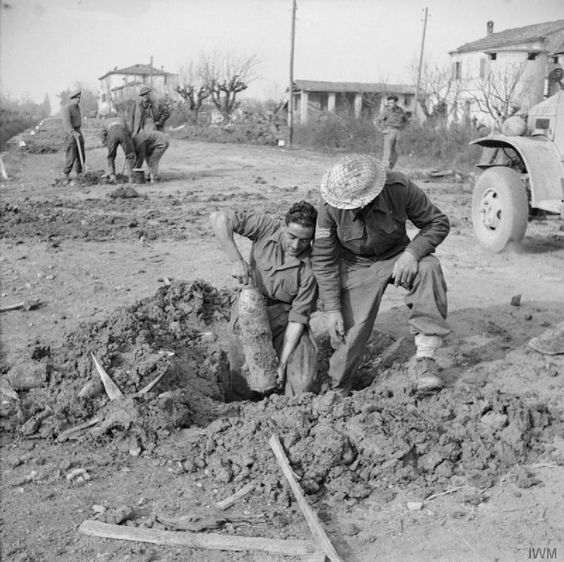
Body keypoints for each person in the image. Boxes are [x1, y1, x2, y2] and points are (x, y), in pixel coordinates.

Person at [311, 154, 450, 396]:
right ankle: (338, 386)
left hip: (397, 256)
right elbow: (324, 258)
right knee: (349, 334)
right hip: (356, 265)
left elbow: (437, 222)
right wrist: (332, 309)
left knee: (429, 267)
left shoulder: (399, 187)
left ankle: (426, 362)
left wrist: (413, 253)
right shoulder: (329, 205)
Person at [210, 202, 319, 398]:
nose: (296, 246)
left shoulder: (311, 268)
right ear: (284, 227)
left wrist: (282, 363)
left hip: (285, 318)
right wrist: (236, 260)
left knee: (302, 382)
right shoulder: (266, 228)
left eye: (304, 240)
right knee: (244, 381)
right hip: (250, 308)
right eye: (292, 237)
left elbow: (297, 319)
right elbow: (218, 218)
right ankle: (243, 404)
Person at [100, 117, 136, 183]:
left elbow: (102, 134)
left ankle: (112, 176)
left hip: (112, 135)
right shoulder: (122, 119)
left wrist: (106, 144)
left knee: (111, 157)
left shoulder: (105, 122)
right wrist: (130, 143)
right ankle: (131, 177)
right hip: (123, 134)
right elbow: (129, 131)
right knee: (130, 155)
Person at [376, 95, 407, 170]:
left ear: (396, 102)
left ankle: (390, 168)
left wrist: (403, 128)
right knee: (387, 151)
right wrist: (382, 130)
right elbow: (376, 121)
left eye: (392, 103)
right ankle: (384, 168)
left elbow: (406, 121)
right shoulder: (386, 111)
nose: (390, 105)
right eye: (389, 103)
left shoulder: (401, 110)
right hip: (389, 131)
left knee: (396, 151)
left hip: (398, 131)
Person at [61, 89, 84, 183]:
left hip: (78, 131)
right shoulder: (67, 108)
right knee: (71, 155)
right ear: (72, 99)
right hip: (71, 133)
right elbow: (67, 124)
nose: (78, 100)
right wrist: (73, 132)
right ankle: (65, 174)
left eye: (79, 98)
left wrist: (78, 132)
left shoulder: (78, 108)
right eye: (76, 98)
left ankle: (80, 173)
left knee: (81, 154)